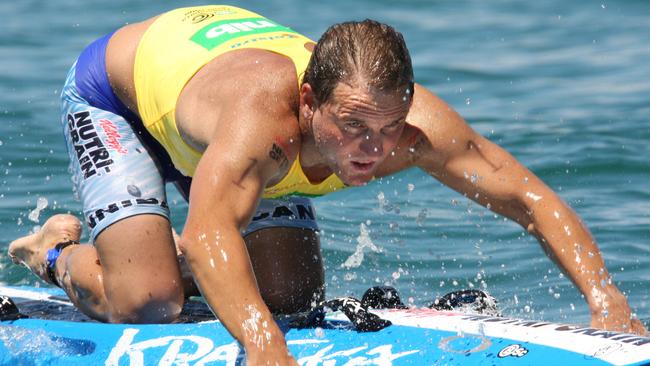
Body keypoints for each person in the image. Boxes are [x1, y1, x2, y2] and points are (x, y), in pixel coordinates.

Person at [8, 4, 646, 364]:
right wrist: (262, 346)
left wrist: (606, 300)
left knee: (289, 298)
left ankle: (171, 256)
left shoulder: (412, 130)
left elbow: (528, 198)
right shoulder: (266, 126)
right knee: (149, 303)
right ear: (309, 101)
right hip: (119, 96)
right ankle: (55, 251)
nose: (372, 149)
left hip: (217, 122)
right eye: (353, 126)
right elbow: (210, 232)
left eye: (389, 126)